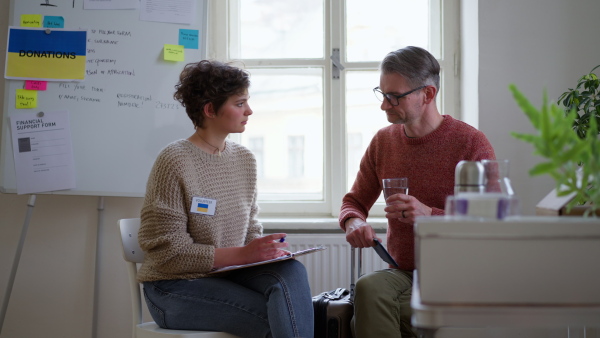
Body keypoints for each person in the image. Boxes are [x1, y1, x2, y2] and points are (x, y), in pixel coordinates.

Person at [137, 60, 314, 338]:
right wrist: (243, 254)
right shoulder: (174, 160)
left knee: (291, 272)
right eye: (240, 103)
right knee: (281, 319)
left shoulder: (245, 159)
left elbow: (250, 228)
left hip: (227, 277)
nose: (250, 111)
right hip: (174, 287)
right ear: (210, 110)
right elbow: (168, 254)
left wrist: (265, 252)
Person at [339, 46, 496, 337]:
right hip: (402, 272)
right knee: (367, 287)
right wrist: (355, 222)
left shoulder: (471, 143)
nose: (384, 105)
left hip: (459, 274)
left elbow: (492, 220)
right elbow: (354, 202)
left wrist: (430, 214)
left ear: (428, 94)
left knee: (363, 317)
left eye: (394, 96)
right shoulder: (383, 142)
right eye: (382, 94)